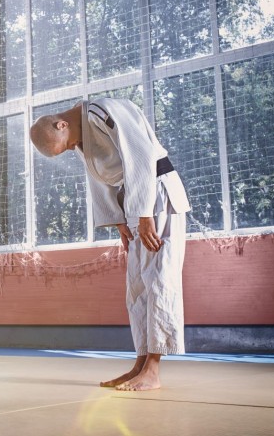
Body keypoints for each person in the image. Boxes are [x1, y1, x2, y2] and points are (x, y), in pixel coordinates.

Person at [30, 98, 190, 391]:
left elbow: (141, 155)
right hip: (134, 202)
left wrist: (143, 213)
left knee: (159, 278)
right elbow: (99, 179)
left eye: (63, 145)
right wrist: (118, 218)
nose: (68, 149)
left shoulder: (100, 112)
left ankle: (154, 370)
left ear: (61, 124)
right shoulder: (80, 136)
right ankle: (140, 363)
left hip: (156, 194)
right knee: (137, 284)